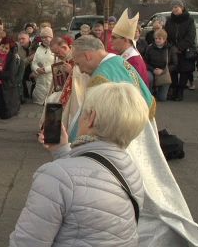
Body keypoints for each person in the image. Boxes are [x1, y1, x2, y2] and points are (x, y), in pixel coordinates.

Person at [70, 35, 198, 247]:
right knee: (149, 184)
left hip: (122, 142)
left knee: (131, 191)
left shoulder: (101, 77)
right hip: (141, 130)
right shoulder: (119, 62)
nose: (80, 69)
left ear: (87, 55)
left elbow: (87, 120)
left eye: (78, 62)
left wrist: (68, 145)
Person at [10, 82, 147, 247]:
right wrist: (61, 150)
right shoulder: (130, 170)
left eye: (83, 112)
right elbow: (88, 180)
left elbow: (27, 242)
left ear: (92, 118)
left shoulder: (55, 177)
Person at [164, 0, 196, 101]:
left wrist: (180, 47)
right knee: (173, 70)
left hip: (185, 50)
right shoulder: (169, 20)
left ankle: (180, 92)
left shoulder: (189, 20)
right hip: (172, 49)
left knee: (184, 71)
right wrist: (172, 47)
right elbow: (166, 35)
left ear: (182, 8)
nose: (174, 9)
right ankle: (174, 90)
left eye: (176, 7)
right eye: (173, 7)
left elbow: (191, 36)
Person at [111, 9, 150, 86]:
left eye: (114, 38)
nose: (110, 40)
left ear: (125, 40)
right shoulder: (125, 56)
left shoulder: (133, 61)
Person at [144, 29, 177, 102]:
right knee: (149, 78)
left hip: (165, 72)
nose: (157, 40)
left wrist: (163, 71)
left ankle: (159, 91)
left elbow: (175, 64)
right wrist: (153, 70)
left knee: (162, 98)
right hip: (152, 70)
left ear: (165, 39)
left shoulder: (170, 49)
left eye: (159, 38)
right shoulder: (149, 48)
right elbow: (145, 62)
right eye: (156, 38)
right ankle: (149, 94)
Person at [31, 27, 55, 105]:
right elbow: (34, 62)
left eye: (46, 37)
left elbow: (58, 63)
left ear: (51, 37)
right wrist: (37, 69)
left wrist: (46, 69)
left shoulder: (55, 48)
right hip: (40, 80)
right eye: (42, 37)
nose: (44, 39)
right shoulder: (39, 49)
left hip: (51, 78)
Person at [16, 32, 33, 103]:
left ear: (29, 39)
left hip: (34, 70)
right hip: (23, 69)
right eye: (19, 39)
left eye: (23, 38)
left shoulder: (35, 47)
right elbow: (19, 63)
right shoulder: (16, 48)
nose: (21, 41)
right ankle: (22, 94)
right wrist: (29, 59)